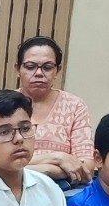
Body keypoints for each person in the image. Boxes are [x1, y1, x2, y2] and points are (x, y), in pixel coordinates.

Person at [15, 34, 94, 185]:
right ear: (18, 69)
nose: (39, 73)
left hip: (62, 191)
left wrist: (28, 169)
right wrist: (57, 158)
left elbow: (86, 168)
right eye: (30, 67)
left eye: (48, 67)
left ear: (57, 71)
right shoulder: (2, 105)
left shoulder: (74, 106)